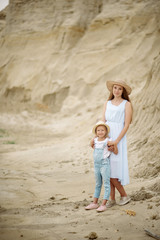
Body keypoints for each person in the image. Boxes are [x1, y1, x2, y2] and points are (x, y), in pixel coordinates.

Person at [102, 79, 133, 207]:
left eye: (120, 88)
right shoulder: (107, 103)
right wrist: (100, 139)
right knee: (107, 169)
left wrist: (116, 141)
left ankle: (124, 195)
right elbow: (103, 121)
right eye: (115, 88)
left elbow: (126, 125)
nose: (117, 90)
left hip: (118, 138)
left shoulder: (126, 104)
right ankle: (112, 199)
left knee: (113, 169)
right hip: (107, 137)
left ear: (123, 91)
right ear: (112, 89)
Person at [85, 121, 118, 212]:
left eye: (102, 130)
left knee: (106, 183)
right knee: (98, 184)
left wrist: (113, 146)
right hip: (96, 164)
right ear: (96, 132)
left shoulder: (108, 141)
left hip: (104, 164)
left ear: (106, 131)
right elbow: (92, 146)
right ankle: (94, 203)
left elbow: (115, 151)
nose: (100, 132)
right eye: (98, 130)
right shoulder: (94, 140)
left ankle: (103, 204)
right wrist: (91, 142)